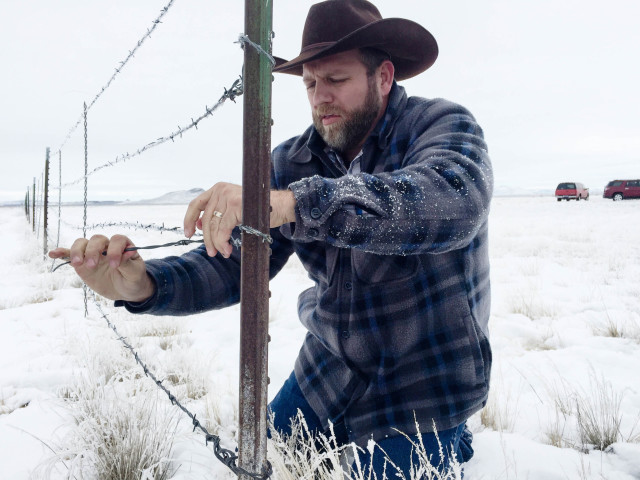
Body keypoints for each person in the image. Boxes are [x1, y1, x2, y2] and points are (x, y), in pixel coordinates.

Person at [49, 0, 493, 477]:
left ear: (384, 77)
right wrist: (144, 286)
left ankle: (454, 437)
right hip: (330, 365)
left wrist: (292, 204)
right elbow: (235, 262)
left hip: (425, 375)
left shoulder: (442, 126)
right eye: (309, 83)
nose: (320, 97)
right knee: (270, 459)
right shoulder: (293, 161)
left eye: (337, 80)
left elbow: (452, 201)